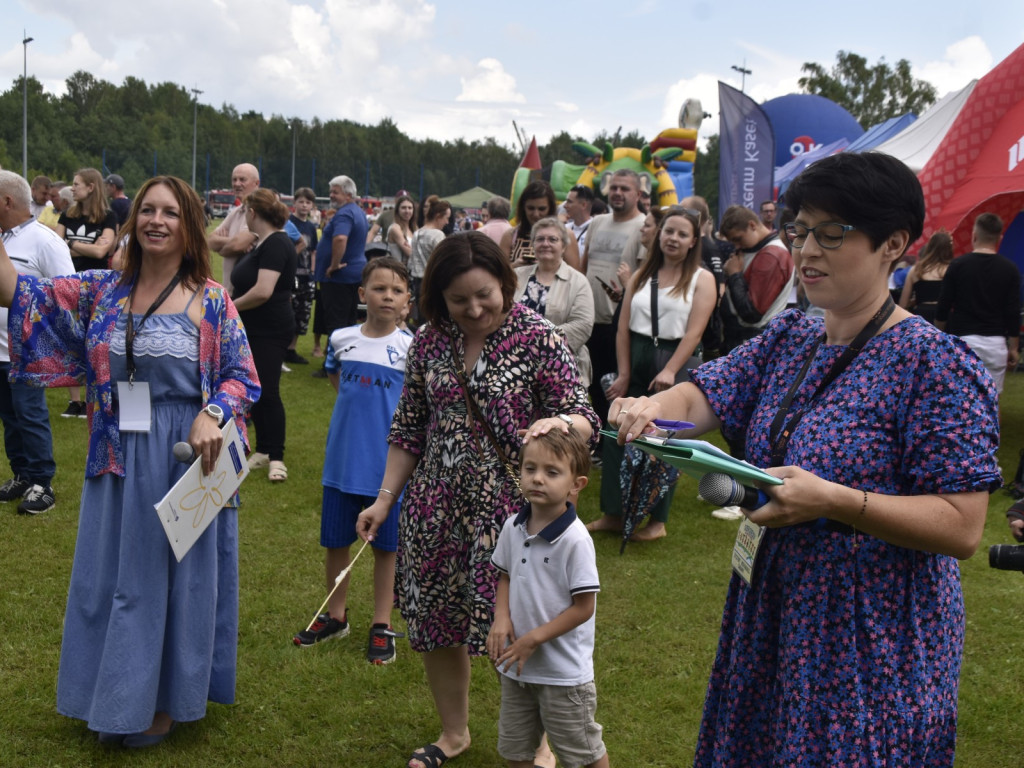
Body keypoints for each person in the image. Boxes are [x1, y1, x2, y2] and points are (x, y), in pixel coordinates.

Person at [611, 152, 1000, 767]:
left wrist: (836, 501)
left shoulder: (937, 365)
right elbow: (703, 393)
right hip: (774, 611)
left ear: (893, 244)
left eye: (832, 233)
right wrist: (647, 409)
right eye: (800, 231)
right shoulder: (791, 336)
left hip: (872, 636)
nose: (807, 250)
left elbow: (963, 525)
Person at [0, 175, 260, 747]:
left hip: (187, 459)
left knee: (172, 582)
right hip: (117, 451)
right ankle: (115, 692)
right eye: (147, 210)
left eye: (169, 212)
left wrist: (213, 412)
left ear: (188, 223)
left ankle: (164, 701)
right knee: (116, 580)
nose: (156, 220)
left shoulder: (210, 299)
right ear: (133, 219)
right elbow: (15, 291)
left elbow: (243, 377)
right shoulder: (103, 290)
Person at [355, 232, 598, 768]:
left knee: (516, 623)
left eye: (484, 294)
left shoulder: (537, 335)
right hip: (434, 510)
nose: (473, 308)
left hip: (516, 514)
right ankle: (454, 733)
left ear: (505, 283)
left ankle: (538, 743)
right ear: (437, 296)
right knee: (439, 622)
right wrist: (384, 500)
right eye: (458, 299)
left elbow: (584, 413)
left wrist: (562, 421)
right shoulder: (427, 341)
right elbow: (409, 429)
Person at [293, 257, 413, 664]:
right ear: (362, 295)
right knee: (336, 543)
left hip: (387, 471)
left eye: (397, 291)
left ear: (407, 302)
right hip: (342, 463)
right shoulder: (342, 339)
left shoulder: (410, 349)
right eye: (380, 289)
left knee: (386, 549)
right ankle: (336, 616)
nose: (387, 296)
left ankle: (382, 623)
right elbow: (335, 379)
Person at [589, 207, 716, 541]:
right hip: (637, 353)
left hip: (675, 359)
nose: (673, 238)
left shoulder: (703, 279)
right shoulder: (642, 273)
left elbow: (695, 332)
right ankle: (614, 513)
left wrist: (671, 370)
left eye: (682, 234)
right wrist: (624, 373)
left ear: (693, 241)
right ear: (659, 235)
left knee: (665, 440)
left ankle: (657, 521)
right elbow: (622, 329)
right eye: (668, 231)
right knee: (616, 429)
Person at [487, 429, 609, 768]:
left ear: (576, 484)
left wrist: (534, 639)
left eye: (552, 472)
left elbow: (584, 607)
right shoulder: (514, 526)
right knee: (517, 752)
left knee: (582, 755)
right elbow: (505, 574)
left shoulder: (575, 540)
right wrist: (501, 618)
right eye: (530, 469)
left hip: (562, 673)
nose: (537, 479)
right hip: (517, 668)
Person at [0, 170, 74, 514]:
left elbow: (69, 293)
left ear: (6, 201)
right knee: (10, 417)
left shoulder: (44, 240)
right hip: (0, 351)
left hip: (27, 352)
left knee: (30, 415)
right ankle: (22, 474)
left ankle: (42, 483)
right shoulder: (4, 238)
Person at [232, 189, 297, 482]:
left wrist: (228, 308)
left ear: (253, 212)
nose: (244, 215)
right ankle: (262, 450)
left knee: (268, 391)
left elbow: (263, 291)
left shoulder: (277, 244)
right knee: (255, 390)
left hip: (270, 328)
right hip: (254, 327)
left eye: (245, 210)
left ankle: (277, 458)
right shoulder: (262, 244)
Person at [581, 169, 647, 423]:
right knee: (593, 385)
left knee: (614, 387)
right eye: (614, 188)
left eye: (625, 189)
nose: (617, 193)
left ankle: (614, 438)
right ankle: (596, 437)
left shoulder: (643, 226)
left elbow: (643, 274)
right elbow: (585, 266)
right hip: (590, 317)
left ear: (638, 194)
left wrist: (629, 288)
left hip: (617, 323)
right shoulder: (598, 222)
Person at [935, 212, 1021, 396]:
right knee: (991, 400)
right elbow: (1012, 312)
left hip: (963, 342)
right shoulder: (1010, 270)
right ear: (1000, 238)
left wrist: (939, 336)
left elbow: (943, 306)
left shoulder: (958, 265)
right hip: (995, 344)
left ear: (974, 235)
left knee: (960, 398)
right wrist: (1013, 347)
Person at [57, 167, 119, 418]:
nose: (72, 188)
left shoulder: (108, 217)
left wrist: (70, 244)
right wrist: (85, 247)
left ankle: (96, 397)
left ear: (91, 187)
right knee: (70, 340)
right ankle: (75, 402)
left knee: (96, 341)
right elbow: (55, 249)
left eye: (77, 184)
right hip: (68, 283)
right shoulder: (66, 215)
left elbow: (100, 253)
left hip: (98, 287)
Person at [512, 217, 595, 386]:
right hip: (517, 365)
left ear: (564, 246)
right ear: (533, 244)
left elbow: (582, 325)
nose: (545, 243)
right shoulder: (517, 276)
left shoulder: (578, 281)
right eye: (540, 239)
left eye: (553, 239)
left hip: (561, 369)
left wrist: (536, 339)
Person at [717, 205, 794, 353]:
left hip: (751, 344)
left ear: (752, 225)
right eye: (733, 242)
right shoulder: (761, 251)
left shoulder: (771, 256)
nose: (737, 246)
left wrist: (734, 275)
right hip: (745, 342)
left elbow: (751, 313)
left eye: (738, 239)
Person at [502, 180, 581, 271]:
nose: (536, 214)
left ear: (550, 208)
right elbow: (497, 273)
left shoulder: (566, 235)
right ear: (523, 208)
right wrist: (514, 267)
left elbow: (575, 275)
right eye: (531, 208)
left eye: (542, 209)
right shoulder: (510, 236)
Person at [207, 163, 260, 294]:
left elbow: (238, 245)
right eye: (234, 179)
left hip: (246, 293)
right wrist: (233, 241)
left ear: (256, 183)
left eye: (242, 179)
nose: (237, 184)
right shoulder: (236, 211)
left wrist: (223, 248)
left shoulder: (259, 211)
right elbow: (210, 241)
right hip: (229, 292)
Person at [285, 187, 319, 365]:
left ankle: (291, 349)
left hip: (307, 277)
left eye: (308, 202)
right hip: (291, 275)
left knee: (302, 315)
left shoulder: (311, 227)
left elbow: (313, 251)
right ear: (294, 203)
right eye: (301, 201)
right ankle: (282, 347)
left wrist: (312, 272)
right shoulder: (288, 223)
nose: (304, 205)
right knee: (287, 313)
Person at [408, 197, 450, 322]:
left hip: (418, 283)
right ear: (438, 216)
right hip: (433, 283)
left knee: (422, 319)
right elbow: (444, 261)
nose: (447, 222)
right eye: (446, 218)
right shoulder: (437, 235)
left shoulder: (417, 233)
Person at [898, 229, 954, 324]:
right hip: (945, 316)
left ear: (929, 246)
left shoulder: (916, 270)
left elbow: (903, 304)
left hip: (921, 316)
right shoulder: (952, 269)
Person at [387, 194, 418, 265]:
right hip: (398, 271)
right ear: (398, 210)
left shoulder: (414, 228)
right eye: (403, 208)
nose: (407, 211)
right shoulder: (395, 228)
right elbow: (409, 253)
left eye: (410, 208)